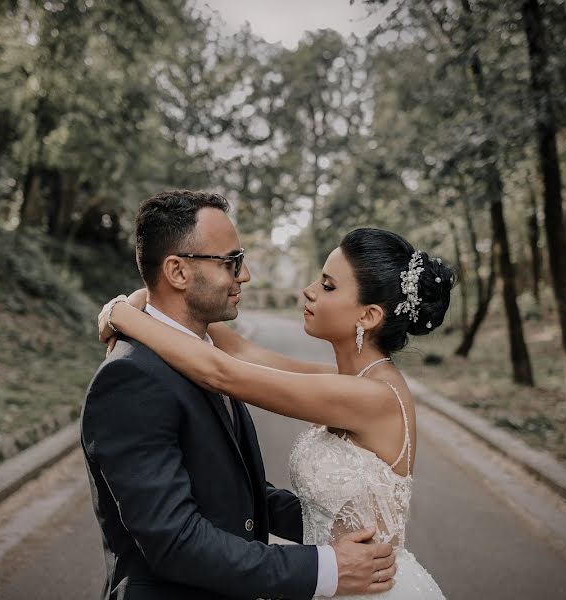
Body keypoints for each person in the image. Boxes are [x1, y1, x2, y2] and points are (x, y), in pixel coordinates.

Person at [98, 203, 452, 599]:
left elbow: (223, 372)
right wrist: (139, 298)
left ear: (368, 316)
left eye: (329, 286)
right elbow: (242, 353)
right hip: (342, 574)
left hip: (369, 588)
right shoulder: (345, 382)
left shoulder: (371, 396)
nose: (309, 290)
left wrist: (121, 315)